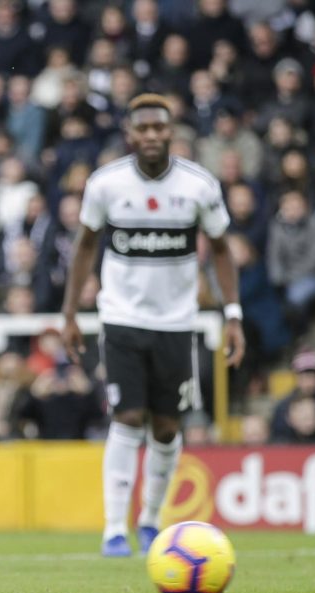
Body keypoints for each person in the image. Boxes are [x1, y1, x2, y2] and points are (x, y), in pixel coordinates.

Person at [60, 93, 245, 558]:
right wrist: (69, 314)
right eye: (142, 128)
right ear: (129, 133)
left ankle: (150, 520)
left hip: (177, 324)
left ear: (171, 132)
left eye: (159, 128)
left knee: (166, 427)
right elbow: (85, 245)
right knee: (125, 418)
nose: (151, 136)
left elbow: (221, 249)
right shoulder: (106, 184)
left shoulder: (199, 185)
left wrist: (233, 314)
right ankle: (113, 530)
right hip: (121, 318)